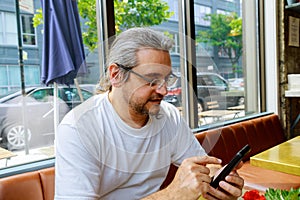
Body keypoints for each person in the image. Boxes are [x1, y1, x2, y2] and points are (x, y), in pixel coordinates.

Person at [55, 27, 244, 200]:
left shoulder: (168, 116)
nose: (164, 91)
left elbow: (201, 167)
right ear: (116, 75)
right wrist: (173, 195)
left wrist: (220, 177)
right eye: (152, 80)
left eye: (167, 79)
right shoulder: (78, 128)